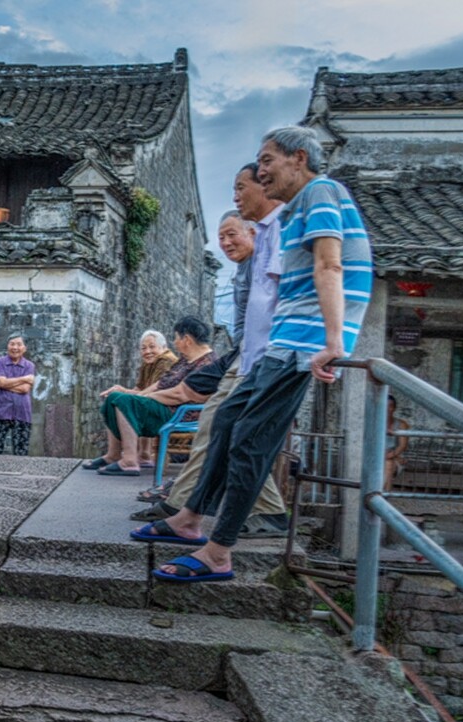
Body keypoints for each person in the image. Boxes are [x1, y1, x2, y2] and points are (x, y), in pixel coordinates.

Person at [153, 126, 372, 583]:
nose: (262, 171)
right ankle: (189, 518)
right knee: (228, 421)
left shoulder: (321, 191)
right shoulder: (296, 209)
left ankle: (219, 550)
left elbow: (330, 263)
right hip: (282, 340)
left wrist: (333, 343)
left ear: (298, 158)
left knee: (251, 439)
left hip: (303, 341)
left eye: (267, 160)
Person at [132, 186, 291, 537]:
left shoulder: (268, 260)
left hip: (260, 357)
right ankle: (261, 511)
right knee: (223, 426)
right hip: (245, 354)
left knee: (224, 425)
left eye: (232, 234)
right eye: (220, 238)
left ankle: (184, 505)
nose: (226, 243)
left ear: (253, 232)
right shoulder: (245, 269)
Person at [95, 317, 217, 476]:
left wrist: (145, 398)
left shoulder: (208, 364)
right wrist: (140, 395)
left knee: (123, 401)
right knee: (114, 397)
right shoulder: (185, 360)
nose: (174, 343)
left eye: (176, 338)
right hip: (165, 405)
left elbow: (179, 394)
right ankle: (113, 455)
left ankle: (129, 461)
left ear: (187, 339)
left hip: (179, 413)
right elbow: (162, 382)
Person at [83, 330, 177, 471]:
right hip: (154, 403)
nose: (147, 351)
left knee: (120, 400)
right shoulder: (149, 363)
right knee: (114, 397)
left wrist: (125, 392)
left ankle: (126, 459)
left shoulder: (166, 361)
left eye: (152, 347)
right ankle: (121, 455)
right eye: (143, 348)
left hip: (165, 408)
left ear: (164, 347)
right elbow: (140, 389)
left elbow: (154, 392)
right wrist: (124, 391)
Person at [0, 335, 35, 456]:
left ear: (24, 348)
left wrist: (1, 385)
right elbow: (2, 382)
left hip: (22, 411)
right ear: (7, 346)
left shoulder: (29, 366)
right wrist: (24, 378)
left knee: (21, 450)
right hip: (0, 410)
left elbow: (25, 389)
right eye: (12, 344)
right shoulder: (0, 362)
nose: (15, 347)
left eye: (19, 344)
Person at [385, 395, 409, 493]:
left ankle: (384, 495)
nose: (387, 409)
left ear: (394, 408)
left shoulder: (401, 424)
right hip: (378, 456)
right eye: (385, 406)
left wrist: (393, 455)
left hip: (393, 456)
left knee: (389, 464)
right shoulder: (375, 422)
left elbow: (403, 446)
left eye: (390, 406)